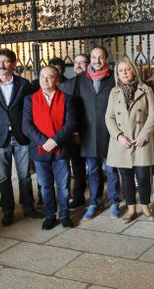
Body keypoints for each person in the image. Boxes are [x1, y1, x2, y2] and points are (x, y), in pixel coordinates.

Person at [0, 48, 42, 227]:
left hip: (21, 137)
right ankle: (7, 210)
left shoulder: (23, 84)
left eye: (5, 61)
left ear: (13, 64)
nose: (1, 65)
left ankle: (28, 206)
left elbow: (29, 109)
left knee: (25, 176)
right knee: (4, 177)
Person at [22, 66, 76, 229]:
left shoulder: (67, 98)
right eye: (43, 76)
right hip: (40, 149)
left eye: (50, 76)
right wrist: (44, 142)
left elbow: (71, 123)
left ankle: (64, 214)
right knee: (45, 185)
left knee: (63, 185)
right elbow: (27, 125)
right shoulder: (30, 99)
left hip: (61, 148)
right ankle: (50, 215)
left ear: (57, 79)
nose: (45, 80)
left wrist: (55, 141)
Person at [105, 57, 154, 223]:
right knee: (125, 177)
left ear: (133, 70)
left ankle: (145, 206)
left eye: (127, 69)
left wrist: (144, 134)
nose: (124, 73)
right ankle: (131, 209)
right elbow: (109, 117)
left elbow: (153, 113)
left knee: (142, 176)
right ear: (117, 74)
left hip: (141, 139)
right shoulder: (114, 92)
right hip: (122, 142)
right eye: (121, 71)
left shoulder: (145, 89)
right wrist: (119, 136)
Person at [75, 46, 120, 219]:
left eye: (100, 57)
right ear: (90, 59)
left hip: (110, 132)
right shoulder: (80, 79)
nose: (97, 61)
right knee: (92, 170)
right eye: (94, 57)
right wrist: (76, 131)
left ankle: (114, 200)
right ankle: (94, 202)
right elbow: (74, 105)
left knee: (111, 169)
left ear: (106, 59)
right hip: (88, 133)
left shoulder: (113, 78)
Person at [61, 54, 89, 209]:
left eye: (83, 62)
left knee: (94, 167)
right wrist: (73, 131)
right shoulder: (66, 84)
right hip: (72, 132)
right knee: (77, 167)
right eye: (77, 62)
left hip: (91, 131)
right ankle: (78, 196)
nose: (79, 65)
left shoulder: (93, 83)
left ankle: (96, 197)